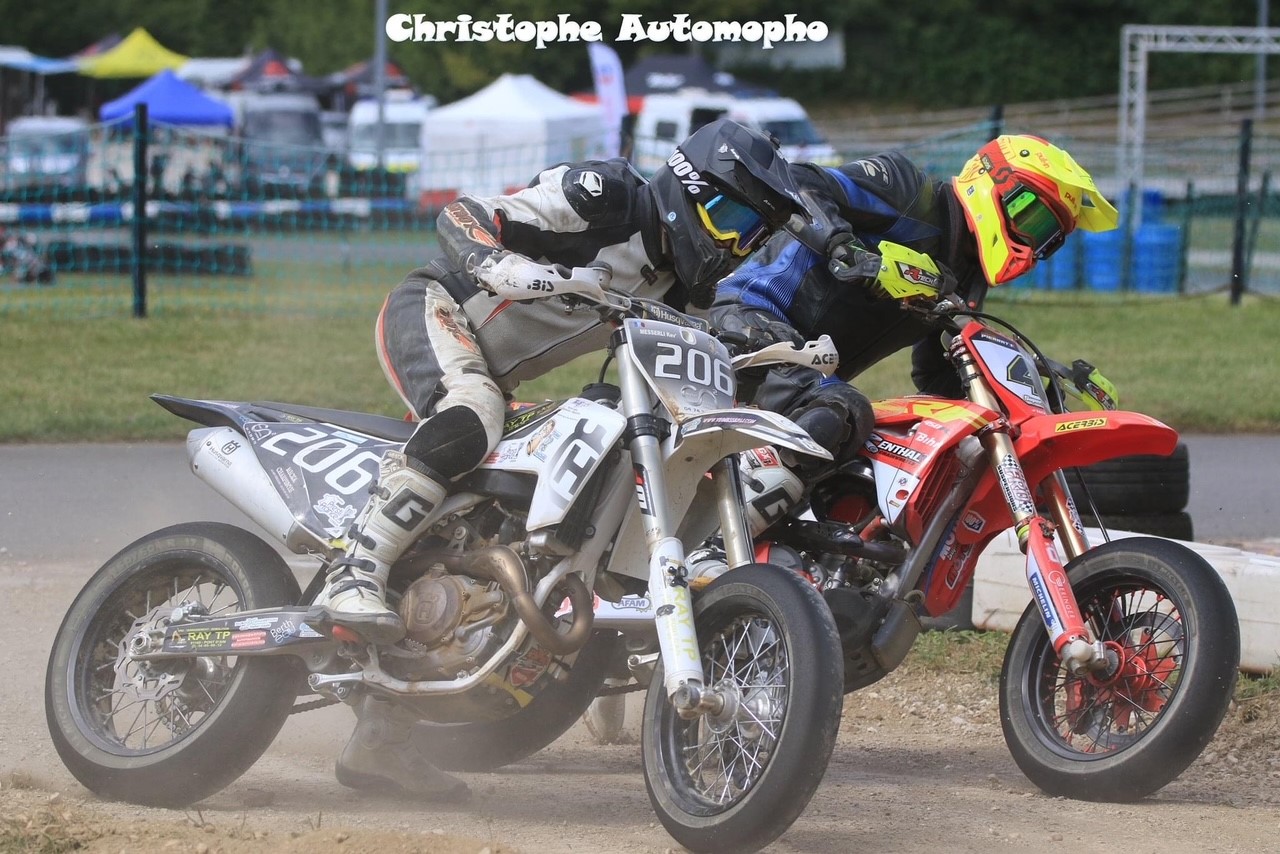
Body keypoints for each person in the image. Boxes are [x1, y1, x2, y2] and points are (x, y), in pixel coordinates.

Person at [302, 118, 834, 800]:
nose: (737, 243)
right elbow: (468, 214)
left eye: (754, 234)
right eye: (731, 219)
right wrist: (494, 260)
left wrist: (777, 347)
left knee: (536, 506)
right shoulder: (607, 194)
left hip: (505, 377)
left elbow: (706, 351)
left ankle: (381, 735)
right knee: (470, 415)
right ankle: (360, 567)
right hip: (438, 309)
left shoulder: (682, 289)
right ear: (691, 187)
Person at [709, 133, 1121, 472]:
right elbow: (799, 181)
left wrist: (1042, 392)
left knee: (896, 461)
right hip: (750, 317)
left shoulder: (967, 280)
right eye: (1034, 220)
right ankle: (724, 528)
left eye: (1048, 239)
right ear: (994, 182)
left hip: (808, 374)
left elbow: (936, 375)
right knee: (843, 413)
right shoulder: (905, 188)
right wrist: (844, 248)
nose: (1033, 245)